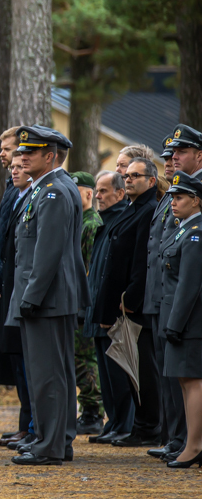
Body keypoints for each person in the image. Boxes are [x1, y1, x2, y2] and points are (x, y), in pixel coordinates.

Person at [8, 126, 87, 465]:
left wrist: (32, 296)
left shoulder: (53, 191)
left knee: (48, 374)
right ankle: (54, 438)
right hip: (47, 296)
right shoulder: (46, 188)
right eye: (21, 151)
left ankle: (51, 445)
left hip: (47, 298)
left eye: (31, 152)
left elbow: (48, 251)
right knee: (53, 372)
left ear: (50, 156)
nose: (21, 157)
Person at [88, 159, 163, 448]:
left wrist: (131, 297)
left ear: (151, 181)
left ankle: (147, 426)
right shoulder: (132, 209)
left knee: (143, 369)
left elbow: (143, 259)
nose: (129, 179)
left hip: (134, 305)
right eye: (127, 175)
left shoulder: (148, 211)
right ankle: (139, 425)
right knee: (131, 369)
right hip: (120, 303)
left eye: (136, 176)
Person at [145, 133, 188, 461]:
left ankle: (182, 439)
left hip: (174, 296)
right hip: (160, 295)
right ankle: (173, 436)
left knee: (178, 376)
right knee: (166, 373)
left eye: (178, 154)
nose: (170, 160)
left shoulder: (191, 194)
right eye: (168, 156)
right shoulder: (170, 195)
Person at [158, 171, 202, 468]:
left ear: (196, 200)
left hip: (190, 321)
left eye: (180, 197)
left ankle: (195, 445)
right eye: (172, 197)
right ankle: (192, 442)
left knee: (193, 381)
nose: (173, 202)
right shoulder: (184, 228)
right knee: (185, 381)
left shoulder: (197, 232)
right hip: (179, 317)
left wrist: (175, 323)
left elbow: (189, 283)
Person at [0, 153, 34, 450]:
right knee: (20, 364)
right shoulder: (17, 197)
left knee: (32, 367)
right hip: (12, 290)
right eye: (12, 167)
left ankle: (34, 427)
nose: (13, 171)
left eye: (21, 167)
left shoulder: (40, 197)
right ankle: (28, 425)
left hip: (27, 295)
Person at [71, 171, 104, 435]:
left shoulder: (91, 224)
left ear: (89, 194)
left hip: (84, 302)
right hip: (76, 300)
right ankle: (88, 409)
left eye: (77, 192)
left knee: (84, 358)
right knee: (77, 356)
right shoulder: (78, 221)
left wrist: (85, 306)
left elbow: (91, 268)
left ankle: (93, 412)